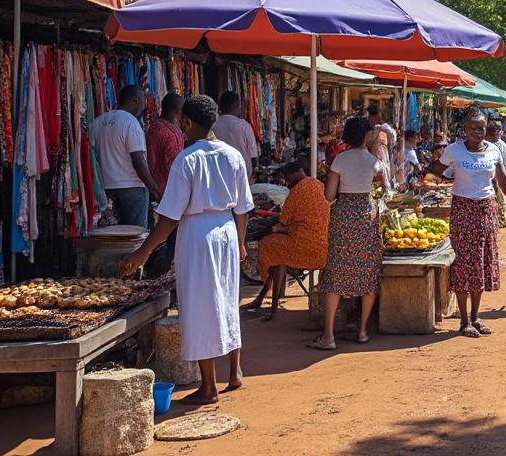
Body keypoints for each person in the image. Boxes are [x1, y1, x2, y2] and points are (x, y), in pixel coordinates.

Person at [120, 95, 252, 405]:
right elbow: (243, 208)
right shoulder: (233, 156)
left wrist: (143, 252)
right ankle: (234, 372)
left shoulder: (187, 159)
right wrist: (242, 241)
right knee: (229, 299)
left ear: (187, 122)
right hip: (227, 231)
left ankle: (208, 387)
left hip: (197, 235)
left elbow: (169, 218)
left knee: (199, 307)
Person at [428, 108, 506, 338]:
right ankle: (464, 320)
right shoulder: (454, 150)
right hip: (462, 211)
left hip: (486, 210)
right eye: (473, 128)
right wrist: (451, 177)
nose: (478, 132)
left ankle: (477, 316)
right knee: (463, 263)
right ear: (465, 130)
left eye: (482, 128)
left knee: (481, 262)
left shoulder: (494, 150)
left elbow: (501, 177)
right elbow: (435, 169)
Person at [311, 116, 386, 350]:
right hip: (365, 215)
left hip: (343, 216)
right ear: (366, 137)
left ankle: (328, 336)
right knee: (366, 273)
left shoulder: (340, 160)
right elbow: (382, 191)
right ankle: (362, 331)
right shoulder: (374, 162)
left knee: (336, 272)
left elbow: (329, 196)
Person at [245, 162, 329, 321]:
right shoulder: (317, 184)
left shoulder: (297, 191)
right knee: (274, 246)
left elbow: (284, 220)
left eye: (287, 177)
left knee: (269, 244)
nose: (286, 181)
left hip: (305, 246)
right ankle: (262, 296)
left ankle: (272, 306)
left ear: (296, 173)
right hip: (321, 244)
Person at [92, 84, 161, 228]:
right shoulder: (131, 123)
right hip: (132, 188)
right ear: (135, 100)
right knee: (133, 236)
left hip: (106, 188)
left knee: (110, 236)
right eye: (143, 100)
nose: (145, 105)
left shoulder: (98, 122)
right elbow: (138, 159)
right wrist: (153, 187)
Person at [146, 93, 186, 195]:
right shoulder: (172, 134)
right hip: (168, 191)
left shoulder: (153, 127)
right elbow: (175, 166)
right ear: (177, 111)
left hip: (152, 186)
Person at [213, 91, 259, 176]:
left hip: (218, 175)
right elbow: (253, 156)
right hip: (241, 174)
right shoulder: (244, 126)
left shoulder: (212, 125)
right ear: (237, 107)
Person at [486, 120, 506, 226]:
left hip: (501, 176)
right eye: (498, 129)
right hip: (490, 177)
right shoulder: (484, 144)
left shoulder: (501, 144)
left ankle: (502, 218)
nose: (500, 131)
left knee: (501, 198)